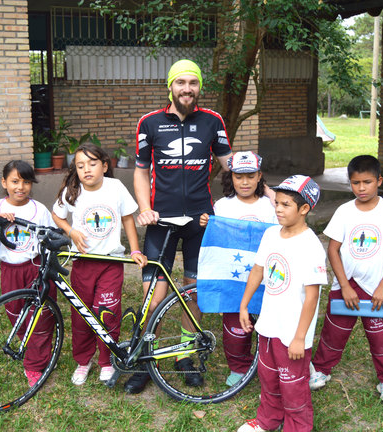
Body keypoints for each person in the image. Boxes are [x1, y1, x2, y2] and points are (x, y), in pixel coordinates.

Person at [127, 58, 233, 394]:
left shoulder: (213, 121)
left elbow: (231, 165)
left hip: (201, 220)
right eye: (181, 83)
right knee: (152, 295)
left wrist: (265, 190)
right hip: (161, 221)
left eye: (193, 83)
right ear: (170, 86)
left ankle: (186, 355)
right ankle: (146, 356)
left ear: (199, 87)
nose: (187, 89)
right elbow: (141, 170)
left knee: (193, 291)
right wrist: (144, 208)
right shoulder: (150, 122)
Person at [309, 155, 383, 407]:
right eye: (356, 183)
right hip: (345, 288)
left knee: (380, 339)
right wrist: (344, 285)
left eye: (367, 182)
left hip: (376, 290)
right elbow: (333, 250)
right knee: (333, 334)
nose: (362, 188)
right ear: (350, 183)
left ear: (379, 180)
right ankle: (321, 369)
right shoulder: (344, 211)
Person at [236, 175, 327, 432]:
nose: (277, 209)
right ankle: (268, 419)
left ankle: (298, 426)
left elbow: (312, 297)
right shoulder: (271, 234)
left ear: (304, 209)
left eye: (286, 205)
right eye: (277, 202)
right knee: (268, 377)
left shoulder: (310, 246)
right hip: (268, 324)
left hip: (292, 332)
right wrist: (244, 305)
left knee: (293, 385)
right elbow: (257, 270)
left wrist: (300, 338)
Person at [52, 143, 147, 386]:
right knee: (82, 313)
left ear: (104, 166)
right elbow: (57, 215)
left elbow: (127, 218)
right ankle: (84, 360)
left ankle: (107, 360)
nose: (86, 170)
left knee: (106, 312)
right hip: (83, 264)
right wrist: (70, 232)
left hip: (110, 263)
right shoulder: (72, 190)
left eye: (92, 164)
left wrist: (135, 249)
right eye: (80, 166)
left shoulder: (115, 187)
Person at [199, 151, 277, 387]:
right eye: (239, 176)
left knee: (269, 321)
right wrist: (208, 223)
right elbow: (218, 240)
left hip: (266, 275)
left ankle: (269, 362)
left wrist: (271, 193)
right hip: (233, 278)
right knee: (235, 326)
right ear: (230, 176)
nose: (244, 182)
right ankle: (238, 366)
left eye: (251, 176)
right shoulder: (222, 206)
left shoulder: (271, 205)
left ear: (260, 177)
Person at [0, 160, 56, 387]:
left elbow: (50, 237)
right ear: (4, 182)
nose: (20, 187)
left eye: (26, 182)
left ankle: (34, 364)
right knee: (16, 313)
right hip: (10, 270)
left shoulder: (39, 210)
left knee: (40, 316)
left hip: (35, 267)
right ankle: (32, 346)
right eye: (14, 181)